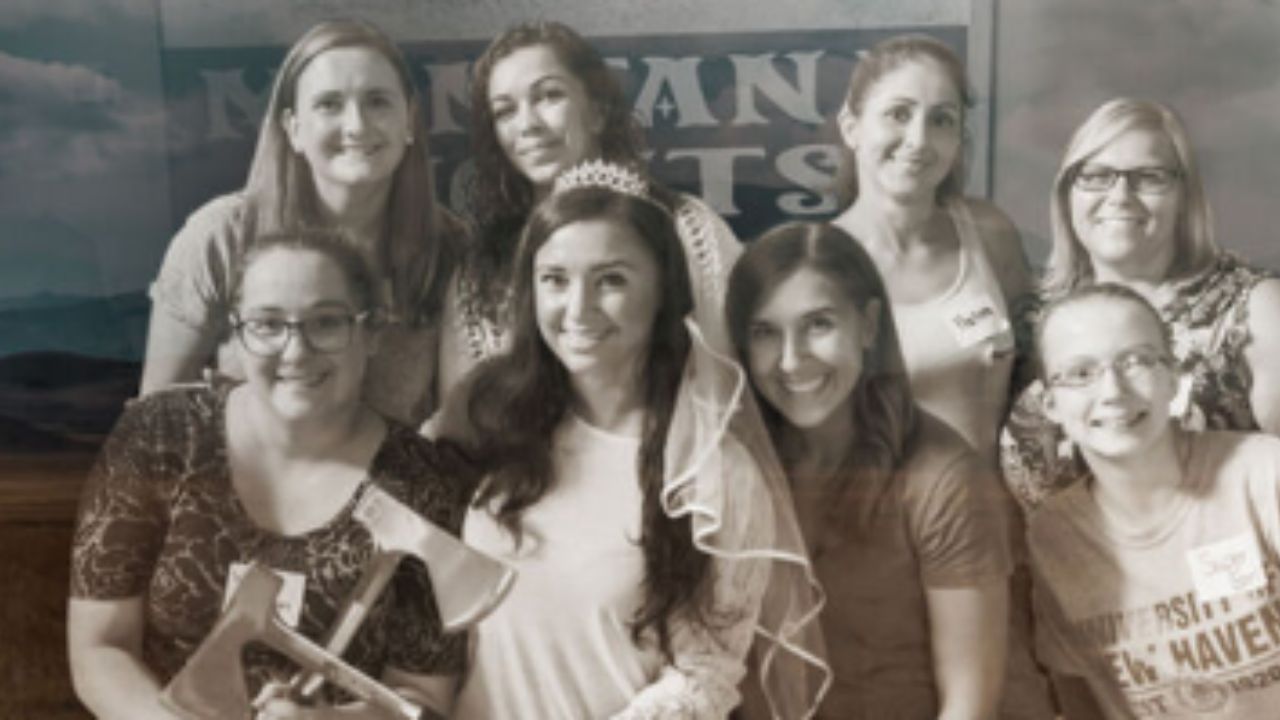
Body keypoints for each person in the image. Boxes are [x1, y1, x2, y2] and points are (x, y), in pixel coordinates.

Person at [439, 162, 826, 719]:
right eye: (555, 280)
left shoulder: (714, 471)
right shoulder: (489, 418)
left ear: (664, 293)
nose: (578, 309)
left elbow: (706, 675)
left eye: (612, 280)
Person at [68, 230, 473, 719]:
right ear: (237, 334)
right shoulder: (160, 435)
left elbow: (422, 697)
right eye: (267, 324)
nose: (296, 351)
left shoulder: (424, 485)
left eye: (326, 323)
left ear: (371, 335)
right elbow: (101, 648)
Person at [727, 222, 1052, 719]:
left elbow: (969, 704)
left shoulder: (942, 477)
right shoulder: (735, 466)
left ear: (869, 325)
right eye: (765, 332)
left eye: (819, 324)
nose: (792, 360)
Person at [142, 18, 463, 426]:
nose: (357, 125)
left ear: (410, 121)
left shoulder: (452, 248)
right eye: (329, 104)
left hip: (400, 486)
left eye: (378, 101)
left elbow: (460, 426)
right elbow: (151, 426)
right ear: (293, 129)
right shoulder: (219, 237)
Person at [1000, 98, 1280, 512]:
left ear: (1185, 196)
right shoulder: (1031, 319)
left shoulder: (1253, 311)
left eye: (1149, 177)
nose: (1120, 196)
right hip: (1055, 570)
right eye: (1095, 176)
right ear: (1067, 193)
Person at [440, 20, 744, 397]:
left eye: (549, 96)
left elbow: (734, 381)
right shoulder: (479, 275)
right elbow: (461, 417)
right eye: (505, 111)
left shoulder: (689, 229)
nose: (528, 125)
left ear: (598, 111)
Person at [1025, 283, 1280, 719]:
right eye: (1080, 373)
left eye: (1136, 361)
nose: (1113, 391)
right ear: (1050, 404)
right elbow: (1080, 699)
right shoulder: (1052, 536)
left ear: (1173, 378)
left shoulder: (1263, 475)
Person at [828, 33, 1032, 460]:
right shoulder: (820, 263)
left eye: (941, 119)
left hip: (995, 513)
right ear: (851, 127)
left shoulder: (990, 234)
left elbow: (1032, 379)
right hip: (880, 517)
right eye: (899, 114)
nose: (919, 140)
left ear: (958, 138)